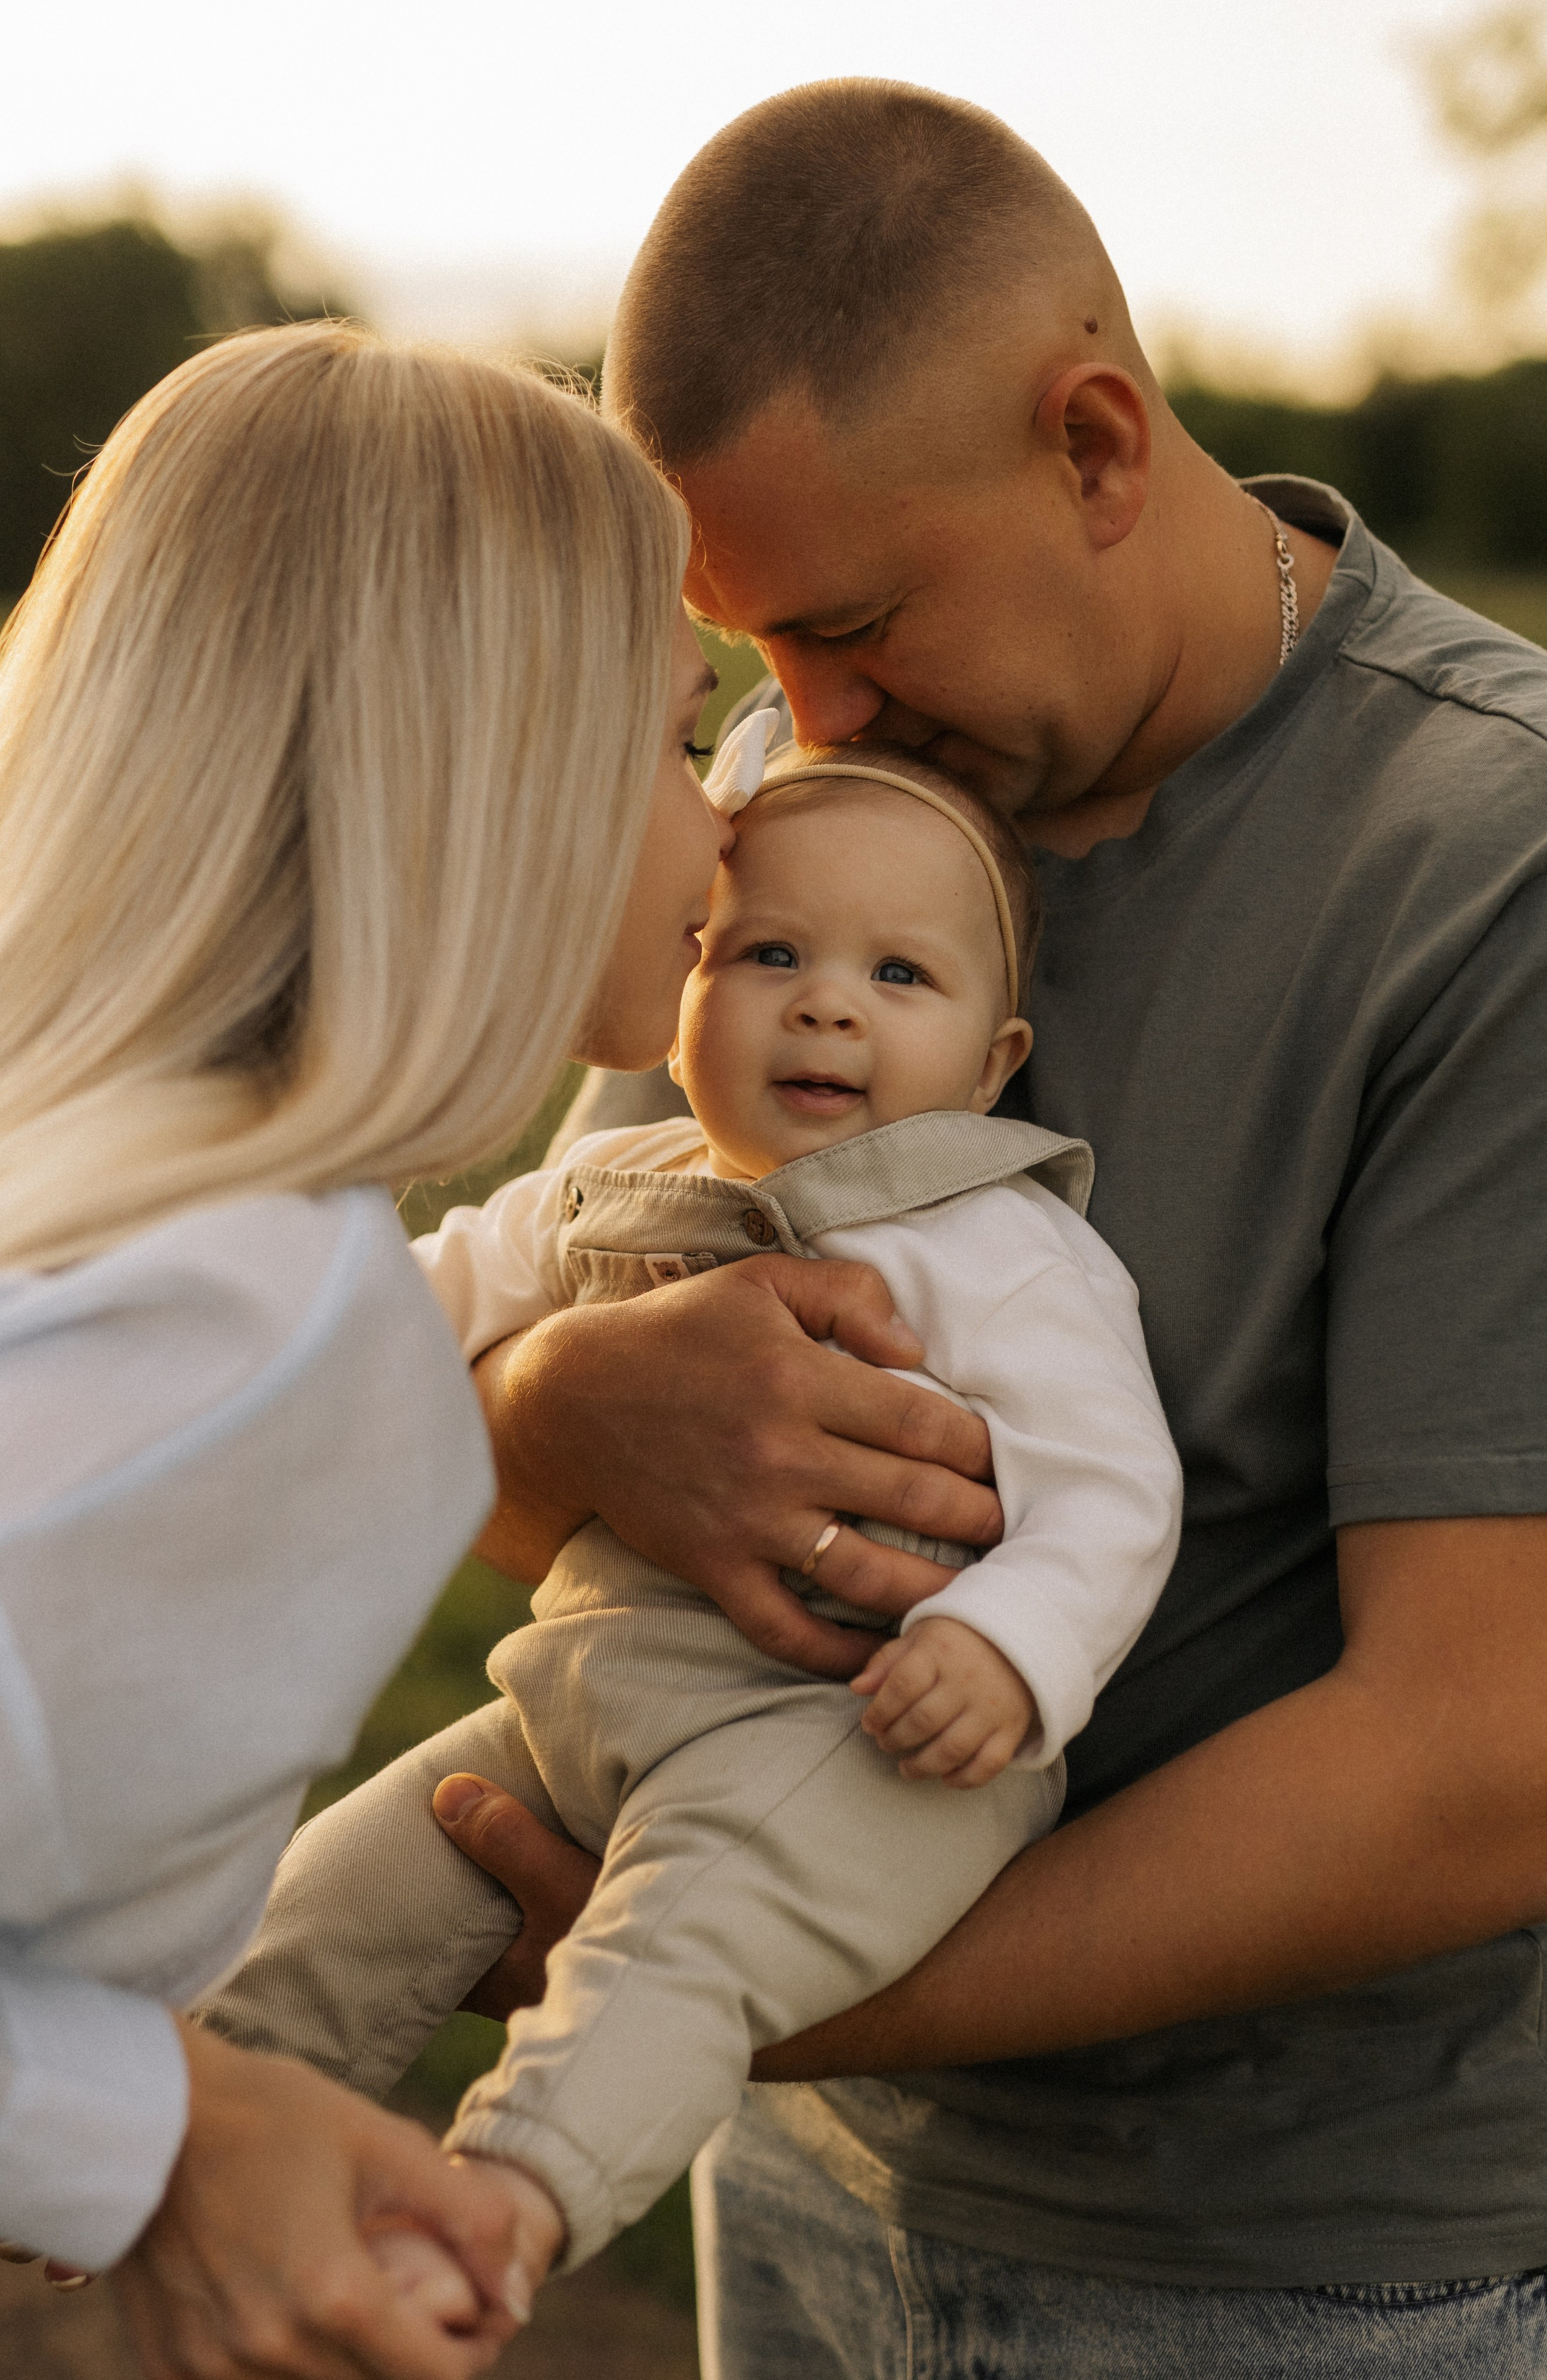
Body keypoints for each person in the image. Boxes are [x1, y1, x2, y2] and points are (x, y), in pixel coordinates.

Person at [426, 79, 1547, 2379]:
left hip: (1313, 2273)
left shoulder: (1506, 867)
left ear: (1094, 446)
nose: (796, 732)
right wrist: (559, 1407)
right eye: (752, 652)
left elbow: (1499, 1756)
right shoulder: (810, 784)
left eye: (854, 625)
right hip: (804, 2184)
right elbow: (532, 1350)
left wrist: (738, 1986)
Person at [198, 729, 1181, 2306]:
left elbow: (1113, 1488)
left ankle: (504, 2203)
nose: (826, 1004)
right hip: (579, 1704)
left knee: (676, 1945)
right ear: (684, 986)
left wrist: (1005, 1645)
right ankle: (180, 2113)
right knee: (348, 1878)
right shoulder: (610, 1185)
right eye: (769, 952)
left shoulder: (996, 1248)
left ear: (994, 1059)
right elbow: (411, 1308)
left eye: (897, 975)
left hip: (851, 1735)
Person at [0, 316, 737, 2378]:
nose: (726, 827)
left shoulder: (132, 1215)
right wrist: (175, 2141)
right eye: (678, 740)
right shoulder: (266, 1325)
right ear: (492, 779)